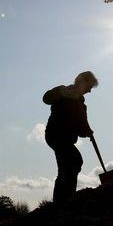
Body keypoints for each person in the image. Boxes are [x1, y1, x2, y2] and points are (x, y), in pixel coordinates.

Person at [42, 71, 98, 203]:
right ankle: (62, 201)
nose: (89, 91)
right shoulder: (64, 91)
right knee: (70, 163)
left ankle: (66, 197)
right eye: (89, 87)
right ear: (83, 82)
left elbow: (82, 127)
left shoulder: (81, 105)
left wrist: (88, 131)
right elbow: (46, 98)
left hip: (67, 139)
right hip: (56, 135)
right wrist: (62, 92)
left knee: (74, 162)